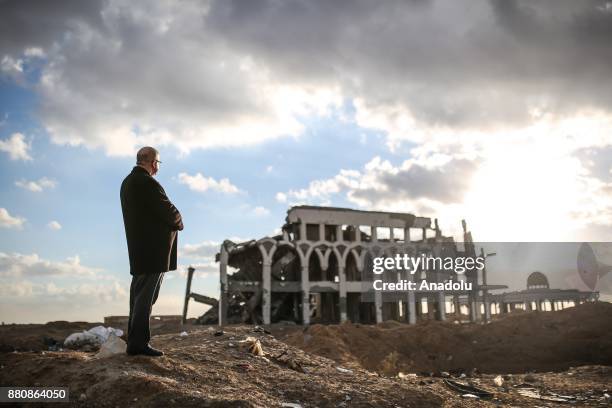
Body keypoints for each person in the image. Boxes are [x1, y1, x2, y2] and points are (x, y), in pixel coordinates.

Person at [120, 146, 183, 356]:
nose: (157, 167)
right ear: (152, 162)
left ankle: (134, 341)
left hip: (139, 251)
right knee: (146, 299)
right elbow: (168, 210)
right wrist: (179, 220)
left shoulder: (128, 182)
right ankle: (138, 344)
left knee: (138, 298)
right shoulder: (147, 182)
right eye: (158, 163)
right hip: (152, 251)